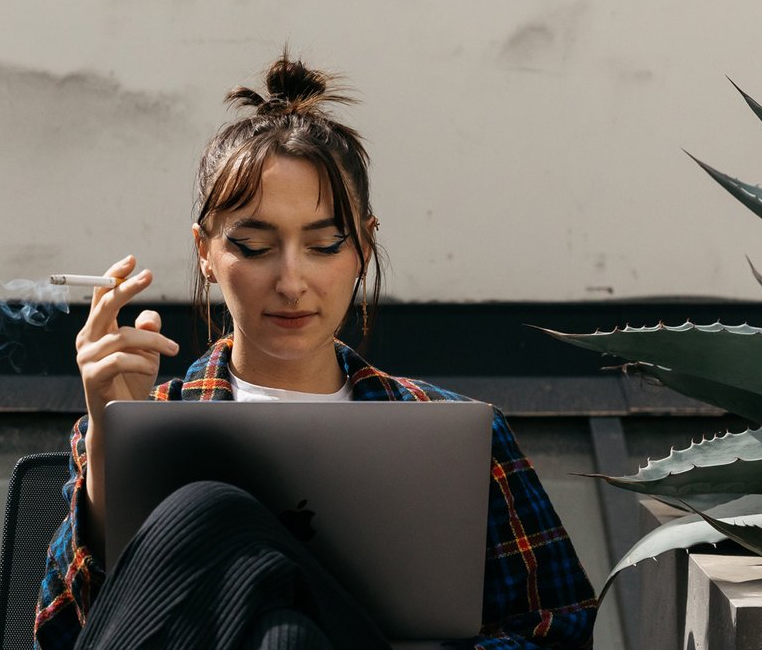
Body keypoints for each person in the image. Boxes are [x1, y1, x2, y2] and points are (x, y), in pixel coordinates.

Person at [35, 52, 597, 650]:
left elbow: (560, 631)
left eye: (325, 244)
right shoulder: (142, 423)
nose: (291, 281)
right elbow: (67, 635)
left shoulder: (451, 435)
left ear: (364, 246)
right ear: (204, 250)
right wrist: (108, 437)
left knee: (206, 512)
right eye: (253, 246)